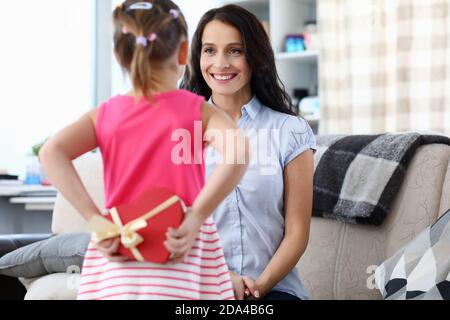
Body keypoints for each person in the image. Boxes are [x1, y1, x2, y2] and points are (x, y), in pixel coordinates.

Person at [39, 0, 249, 300]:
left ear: (117, 56)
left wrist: (96, 221)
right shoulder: (197, 111)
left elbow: (51, 153)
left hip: (120, 246)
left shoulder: (105, 114)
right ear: (182, 51)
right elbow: (238, 150)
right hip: (180, 246)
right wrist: (196, 216)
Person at [181, 4, 316, 300]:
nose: (220, 63)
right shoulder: (180, 133)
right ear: (196, 57)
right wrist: (223, 281)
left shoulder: (290, 131)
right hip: (199, 288)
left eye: (235, 50)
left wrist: (259, 287)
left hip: (274, 290)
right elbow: (174, 226)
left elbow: (297, 233)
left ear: (255, 56)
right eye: (209, 50)